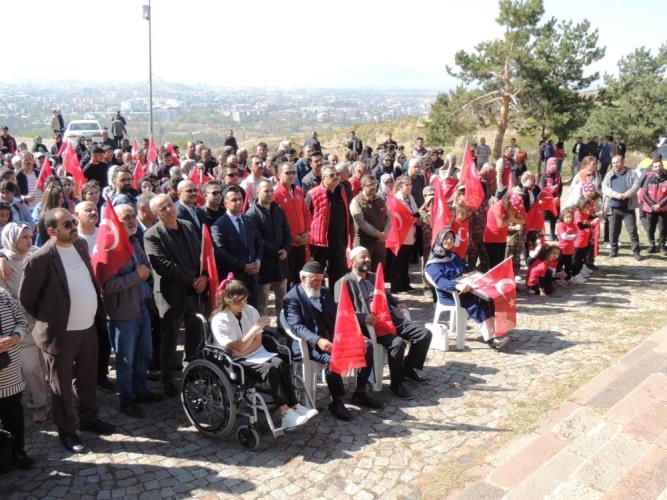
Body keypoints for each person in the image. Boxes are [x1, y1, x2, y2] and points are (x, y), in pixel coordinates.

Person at [19, 208, 115, 453]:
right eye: (67, 225)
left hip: (88, 327)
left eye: (73, 222)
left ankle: (89, 418)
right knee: (60, 385)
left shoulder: (80, 246)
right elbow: (27, 299)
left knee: (86, 379)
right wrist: (51, 317)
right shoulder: (40, 259)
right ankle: (67, 431)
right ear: (52, 231)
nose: (74, 227)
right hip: (60, 333)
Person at [283, 261, 380, 421]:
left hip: (331, 338)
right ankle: (337, 402)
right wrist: (318, 340)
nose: (317, 284)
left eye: (320, 280)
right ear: (302, 278)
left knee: (367, 346)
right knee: (333, 359)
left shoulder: (324, 292)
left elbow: (338, 315)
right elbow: (296, 327)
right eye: (313, 280)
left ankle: (360, 391)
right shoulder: (291, 298)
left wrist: (353, 333)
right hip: (309, 344)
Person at [212, 278, 316, 429]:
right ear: (228, 301)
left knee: (280, 363)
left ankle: (294, 404)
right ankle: (284, 412)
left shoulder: (250, 310)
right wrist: (254, 330)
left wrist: (243, 348)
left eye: (244, 300)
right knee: (270, 370)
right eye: (238, 302)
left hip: (254, 353)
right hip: (234, 362)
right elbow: (237, 350)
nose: (242, 304)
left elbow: (256, 343)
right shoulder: (220, 320)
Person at [335, 247, 432, 399]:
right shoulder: (344, 282)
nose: (367, 259)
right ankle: (396, 383)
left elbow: (386, 295)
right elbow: (341, 312)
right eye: (363, 257)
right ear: (353, 261)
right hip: (372, 326)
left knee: (424, 334)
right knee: (398, 343)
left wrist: (397, 303)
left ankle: (409, 367)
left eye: (368, 256)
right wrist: (363, 317)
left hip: (391, 318)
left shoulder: (374, 277)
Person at [144, 194, 208, 397]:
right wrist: (193, 279)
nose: (169, 210)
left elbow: (202, 253)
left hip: (194, 292)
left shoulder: (188, 226)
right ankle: (167, 378)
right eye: (162, 209)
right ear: (156, 214)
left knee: (195, 331)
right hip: (170, 295)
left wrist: (204, 276)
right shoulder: (152, 235)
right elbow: (163, 265)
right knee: (169, 338)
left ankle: (192, 368)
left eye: (169, 205)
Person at [104, 205, 162, 418]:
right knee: (125, 358)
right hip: (123, 312)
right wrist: (137, 276)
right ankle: (126, 399)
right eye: (125, 218)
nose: (131, 220)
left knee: (144, 353)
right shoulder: (110, 249)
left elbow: (145, 267)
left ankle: (140, 389)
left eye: (132, 216)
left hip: (142, 307)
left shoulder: (135, 242)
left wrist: (143, 275)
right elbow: (108, 285)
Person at [425, 230, 509, 350]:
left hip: (466, 289)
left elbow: (465, 271)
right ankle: (491, 340)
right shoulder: (433, 264)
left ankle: (495, 331)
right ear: (439, 240)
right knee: (476, 303)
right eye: (446, 238)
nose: (449, 241)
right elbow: (440, 282)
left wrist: (477, 277)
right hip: (451, 294)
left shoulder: (453, 256)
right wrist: (457, 286)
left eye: (451, 239)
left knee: (489, 297)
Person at [0, 223, 49, 424]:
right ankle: (39, 405)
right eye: (24, 237)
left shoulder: (35, 255)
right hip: (21, 324)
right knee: (30, 367)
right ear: (12, 239)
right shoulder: (5, 264)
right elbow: (6, 298)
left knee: (44, 365)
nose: (30, 241)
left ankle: (40, 398)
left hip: (43, 320)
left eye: (31, 236)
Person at [211, 186, 262, 307]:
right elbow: (220, 252)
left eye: (240, 199)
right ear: (226, 203)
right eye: (234, 200)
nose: (239, 202)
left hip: (252, 277)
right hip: (234, 278)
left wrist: (258, 261)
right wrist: (243, 266)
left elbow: (259, 242)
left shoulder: (248, 220)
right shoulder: (219, 225)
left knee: (253, 311)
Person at [246, 180, 291, 316]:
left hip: (281, 262)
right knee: (263, 301)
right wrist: (277, 251)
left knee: (283, 299)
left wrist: (287, 249)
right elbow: (258, 239)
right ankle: (264, 332)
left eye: (272, 190)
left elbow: (286, 231)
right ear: (257, 192)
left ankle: (282, 326)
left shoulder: (278, 209)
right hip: (264, 263)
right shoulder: (252, 213)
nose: (270, 193)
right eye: (266, 191)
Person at [0, 286, 32, 469]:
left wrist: (15, 336)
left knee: (14, 415)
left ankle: (17, 451)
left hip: (10, 372)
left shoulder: (3, 295)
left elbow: (21, 319)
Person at [306, 165, 351, 288]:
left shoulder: (341, 190)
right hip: (320, 243)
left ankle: (336, 301)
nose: (336, 177)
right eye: (331, 175)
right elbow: (306, 216)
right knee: (318, 273)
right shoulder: (313, 193)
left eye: (336, 174)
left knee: (339, 273)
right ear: (323, 178)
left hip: (339, 240)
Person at [274, 162, 310, 288]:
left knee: (300, 277)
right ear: (279, 175)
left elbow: (305, 212)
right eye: (287, 173)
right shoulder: (275, 194)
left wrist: (307, 231)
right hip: (287, 244)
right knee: (287, 279)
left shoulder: (298, 191)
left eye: (293, 172)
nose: (291, 175)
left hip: (301, 241)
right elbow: (278, 223)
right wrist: (294, 236)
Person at [602, 155, 641, 259]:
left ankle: (636, 252)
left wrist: (626, 194)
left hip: (628, 208)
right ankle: (613, 250)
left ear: (623, 162)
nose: (615, 164)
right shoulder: (609, 174)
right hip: (613, 208)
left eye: (617, 162)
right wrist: (616, 195)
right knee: (613, 230)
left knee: (632, 230)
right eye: (613, 163)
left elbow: (636, 185)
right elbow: (604, 187)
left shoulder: (632, 173)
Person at [349, 175, 391, 271]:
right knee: (363, 270)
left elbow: (389, 217)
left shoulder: (380, 199)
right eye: (370, 185)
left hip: (380, 243)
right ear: (363, 186)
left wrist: (385, 233)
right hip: (364, 243)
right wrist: (379, 234)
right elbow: (361, 223)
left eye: (375, 184)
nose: (373, 187)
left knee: (379, 271)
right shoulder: (356, 201)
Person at [391, 176, 419, 293]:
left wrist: (417, 217)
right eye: (406, 185)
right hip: (400, 234)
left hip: (410, 233)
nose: (409, 187)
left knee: (405, 260)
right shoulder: (397, 199)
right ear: (400, 186)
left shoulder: (410, 197)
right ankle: (396, 285)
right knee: (398, 261)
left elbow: (414, 212)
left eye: (410, 184)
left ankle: (405, 283)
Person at [483, 191, 525, 269]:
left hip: (502, 239)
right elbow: (500, 224)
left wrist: (512, 218)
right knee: (494, 265)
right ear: (508, 203)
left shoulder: (510, 207)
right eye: (512, 207)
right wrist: (511, 218)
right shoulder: (498, 206)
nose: (513, 209)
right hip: (492, 240)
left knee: (500, 264)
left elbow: (522, 221)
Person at [641, 153, 667, 254]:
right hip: (650, 208)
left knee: (663, 229)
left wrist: (659, 205)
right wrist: (653, 205)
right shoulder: (648, 178)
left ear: (662, 166)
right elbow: (644, 193)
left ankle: (662, 247)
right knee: (650, 228)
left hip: (663, 208)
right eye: (656, 166)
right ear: (652, 168)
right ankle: (652, 245)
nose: (658, 168)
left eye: (660, 166)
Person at [540, 158, 563, 240]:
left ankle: (552, 234)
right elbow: (542, 188)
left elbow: (561, 186)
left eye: (556, 164)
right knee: (543, 218)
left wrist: (558, 196)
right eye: (552, 164)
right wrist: (549, 194)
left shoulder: (558, 175)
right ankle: (541, 235)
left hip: (555, 200)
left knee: (554, 218)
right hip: (546, 200)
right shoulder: (544, 175)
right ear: (549, 165)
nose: (554, 166)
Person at [556, 208, 577, 280]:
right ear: (562, 217)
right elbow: (564, 237)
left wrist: (573, 236)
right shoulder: (561, 225)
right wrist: (574, 236)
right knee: (559, 264)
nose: (569, 219)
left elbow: (577, 234)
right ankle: (557, 278)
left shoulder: (573, 225)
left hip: (570, 250)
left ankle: (567, 278)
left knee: (568, 265)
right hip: (562, 249)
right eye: (567, 217)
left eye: (571, 217)